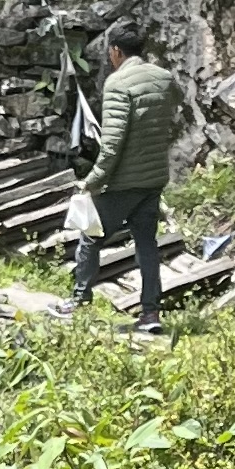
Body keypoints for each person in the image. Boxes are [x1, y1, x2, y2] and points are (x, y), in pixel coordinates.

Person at [72, 17, 182, 328]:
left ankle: (79, 302)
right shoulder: (164, 78)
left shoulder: (118, 84)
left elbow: (112, 144)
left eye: (110, 52)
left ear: (116, 51)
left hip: (125, 182)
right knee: (146, 243)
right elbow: (177, 103)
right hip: (154, 179)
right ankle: (150, 313)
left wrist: (92, 182)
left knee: (90, 236)